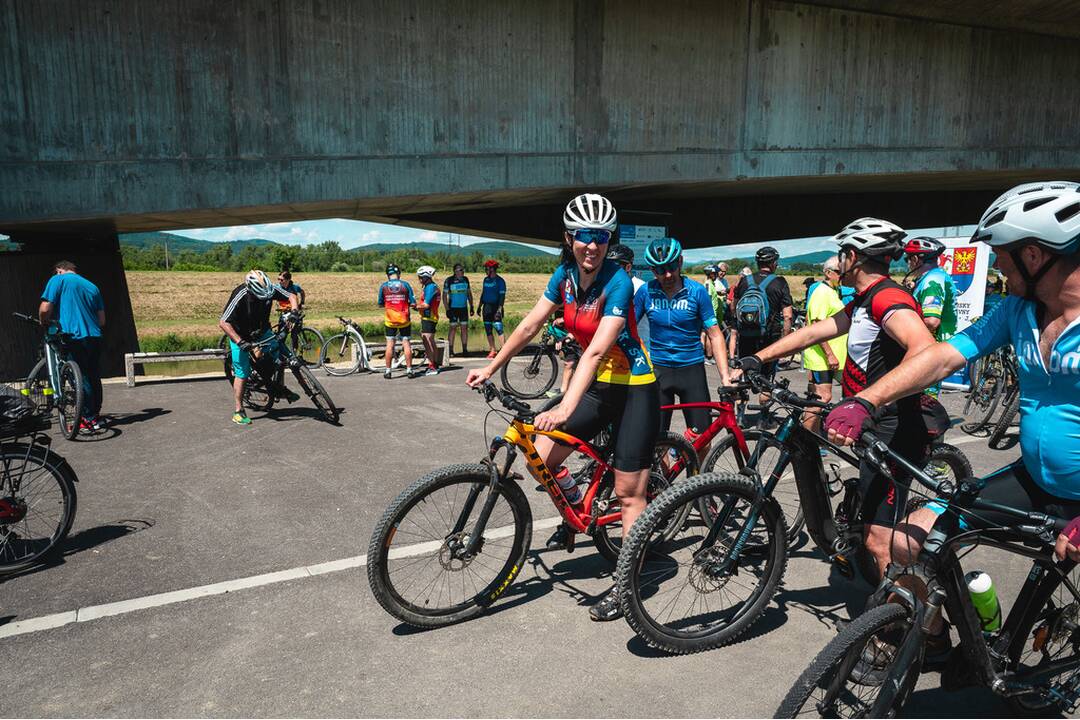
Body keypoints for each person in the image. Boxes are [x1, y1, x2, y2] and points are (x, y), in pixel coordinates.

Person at [822, 182, 1080, 652]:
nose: (998, 264)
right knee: (905, 542)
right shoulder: (1018, 311)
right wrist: (866, 401)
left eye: (1001, 253)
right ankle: (976, 639)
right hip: (1035, 481)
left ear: (1035, 255)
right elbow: (940, 357)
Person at [466, 192, 657, 622]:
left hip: (634, 388)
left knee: (629, 493)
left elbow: (593, 354)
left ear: (610, 240)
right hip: (599, 387)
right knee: (543, 460)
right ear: (569, 237)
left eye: (602, 236)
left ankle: (629, 587)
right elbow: (531, 323)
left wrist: (565, 408)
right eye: (584, 236)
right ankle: (578, 512)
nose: (593, 244)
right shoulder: (565, 276)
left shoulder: (618, 282)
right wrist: (492, 366)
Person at [734, 218, 939, 581]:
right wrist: (760, 357)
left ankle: (901, 622)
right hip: (867, 420)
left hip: (894, 425)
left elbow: (925, 349)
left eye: (840, 255)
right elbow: (814, 332)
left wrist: (869, 402)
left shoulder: (889, 298)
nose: (838, 262)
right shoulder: (863, 302)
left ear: (853, 257)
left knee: (879, 542)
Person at [635, 238, 732, 453]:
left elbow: (715, 336)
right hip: (659, 370)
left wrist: (725, 376)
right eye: (660, 270)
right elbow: (626, 329)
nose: (667, 275)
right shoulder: (646, 292)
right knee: (656, 442)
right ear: (652, 270)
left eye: (671, 267)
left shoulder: (697, 292)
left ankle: (697, 482)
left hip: (691, 370)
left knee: (702, 439)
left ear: (680, 262)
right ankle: (663, 483)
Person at [219, 270, 300, 426]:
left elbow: (291, 296)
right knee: (242, 372)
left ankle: (277, 386)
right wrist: (240, 342)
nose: (265, 300)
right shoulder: (240, 294)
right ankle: (238, 411)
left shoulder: (269, 289)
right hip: (240, 335)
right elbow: (223, 322)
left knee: (278, 350)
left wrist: (294, 311)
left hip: (261, 330)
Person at [39, 260, 106, 432]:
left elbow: (46, 308)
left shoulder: (58, 280)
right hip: (95, 336)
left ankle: (87, 418)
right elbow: (101, 320)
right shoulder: (93, 287)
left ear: (59, 270)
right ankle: (95, 414)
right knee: (92, 375)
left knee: (80, 376)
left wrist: (43, 322)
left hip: (72, 335)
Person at [733, 246, 794, 414]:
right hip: (769, 338)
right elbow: (788, 316)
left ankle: (740, 415)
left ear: (757, 262)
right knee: (766, 379)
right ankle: (763, 417)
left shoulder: (745, 281)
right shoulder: (780, 282)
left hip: (746, 335)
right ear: (774, 263)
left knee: (741, 373)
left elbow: (734, 306)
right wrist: (785, 340)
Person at [903, 237, 958, 397]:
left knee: (924, 400)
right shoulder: (932, 277)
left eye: (908, 258)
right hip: (933, 347)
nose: (908, 263)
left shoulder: (932, 281)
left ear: (915, 259)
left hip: (929, 350)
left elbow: (931, 321)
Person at [801, 256, 847, 438]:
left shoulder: (834, 291)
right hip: (822, 357)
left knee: (823, 397)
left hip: (835, 356)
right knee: (822, 398)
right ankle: (805, 439)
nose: (841, 275)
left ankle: (816, 435)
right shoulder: (821, 292)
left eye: (843, 272)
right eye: (838, 272)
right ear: (828, 273)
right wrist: (829, 354)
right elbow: (817, 325)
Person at [378, 264, 418, 379]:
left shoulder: (383, 286)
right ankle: (409, 370)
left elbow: (380, 303)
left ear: (387, 275)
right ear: (399, 274)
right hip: (404, 319)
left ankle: (388, 371)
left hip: (390, 320)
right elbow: (413, 302)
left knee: (390, 345)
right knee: (406, 344)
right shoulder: (405, 285)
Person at [442, 264, 474, 356]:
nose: (462, 272)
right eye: (460, 270)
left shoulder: (466, 279)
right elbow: (444, 296)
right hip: (453, 308)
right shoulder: (449, 280)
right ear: (455, 271)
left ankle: (464, 349)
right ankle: (450, 350)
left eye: (463, 270)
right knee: (453, 328)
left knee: (464, 328)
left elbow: (469, 293)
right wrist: (447, 309)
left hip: (463, 308)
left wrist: (471, 306)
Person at [478, 259, 507, 358]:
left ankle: (504, 351)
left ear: (492, 269)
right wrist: (479, 306)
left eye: (487, 269)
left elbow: (502, 297)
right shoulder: (485, 280)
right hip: (486, 307)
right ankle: (493, 350)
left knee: (499, 329)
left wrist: (499, 309)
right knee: (488, 329)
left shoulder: (500, 281)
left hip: (496, 307)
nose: (486, 270)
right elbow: (483, 293)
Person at [416, 266, 442, 376]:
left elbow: (426, 305)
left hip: (429, 317)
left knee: (427, 342)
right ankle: (435, 364)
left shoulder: (430, 287)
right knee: (431, 341)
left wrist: (414, 306)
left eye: (421, 277)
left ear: (427, 277)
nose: (419, 279)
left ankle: (432, 366)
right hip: (430, 317)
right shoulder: (430, 286)